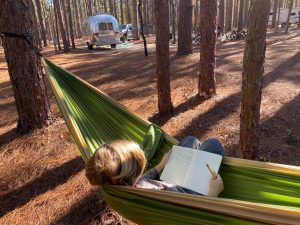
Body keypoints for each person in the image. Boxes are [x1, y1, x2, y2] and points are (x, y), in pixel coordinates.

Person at [85, 136, 225, 197]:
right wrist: (212, 194)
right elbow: (189, 214)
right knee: (213, 145)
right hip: (189, 195)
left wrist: (161, 165)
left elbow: (141, 181)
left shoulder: (123, 186)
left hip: (169, 180)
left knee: (191, 140)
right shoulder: (152, 197)